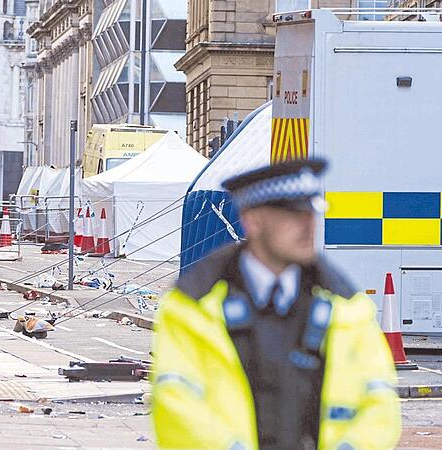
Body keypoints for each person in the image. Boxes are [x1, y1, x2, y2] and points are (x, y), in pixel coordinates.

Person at [152, 159, 401, 450]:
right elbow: (176, 403)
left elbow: (379, 402)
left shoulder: (347, 308)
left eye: (311, 213)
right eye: (293, 215)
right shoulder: (191, 308)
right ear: (253, 222)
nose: (309, 225)